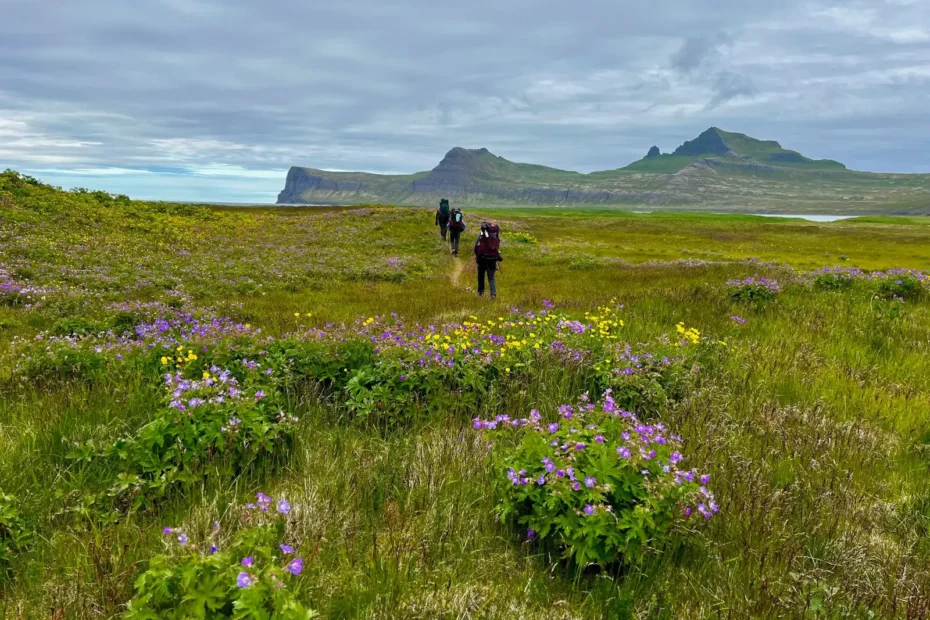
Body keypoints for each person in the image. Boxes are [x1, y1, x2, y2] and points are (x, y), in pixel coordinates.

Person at [474, 221, 502, 299]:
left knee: (481, 275)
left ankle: (480, 292)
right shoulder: (495, 237)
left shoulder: (481, 236)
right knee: (491, 277)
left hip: (482, 259)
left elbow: (475, 248)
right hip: (493, 259)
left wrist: (477, 256)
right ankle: (493, 294)